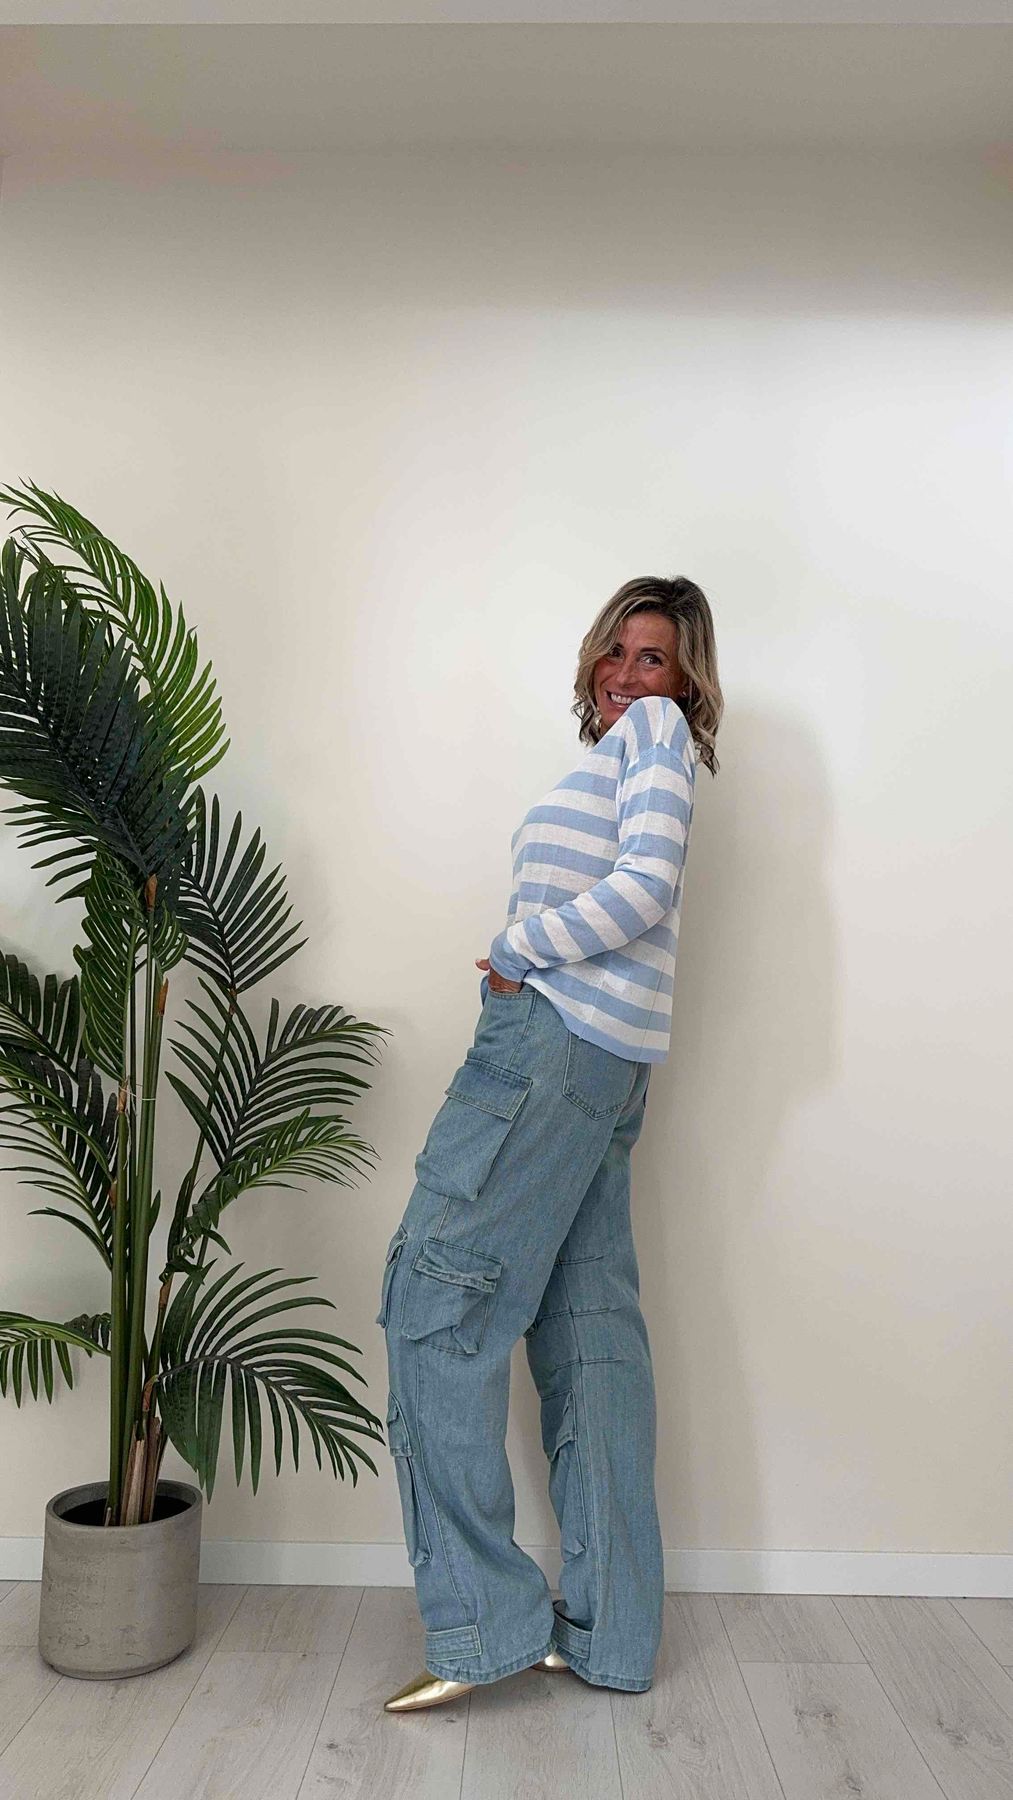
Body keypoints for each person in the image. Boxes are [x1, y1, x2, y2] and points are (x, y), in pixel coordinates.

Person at [377, 575, 723, 1713]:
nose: (627, 674)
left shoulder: (655, 736)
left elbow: (644, 886)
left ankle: (482, 1628)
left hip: (554, 1046)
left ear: (684, 680)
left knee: (433, 1300)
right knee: (589, 1335)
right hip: (605, 1069)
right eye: (614, 652)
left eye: (652, 657)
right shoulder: (624, 751)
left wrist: (518, 950)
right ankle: (611, 1635)